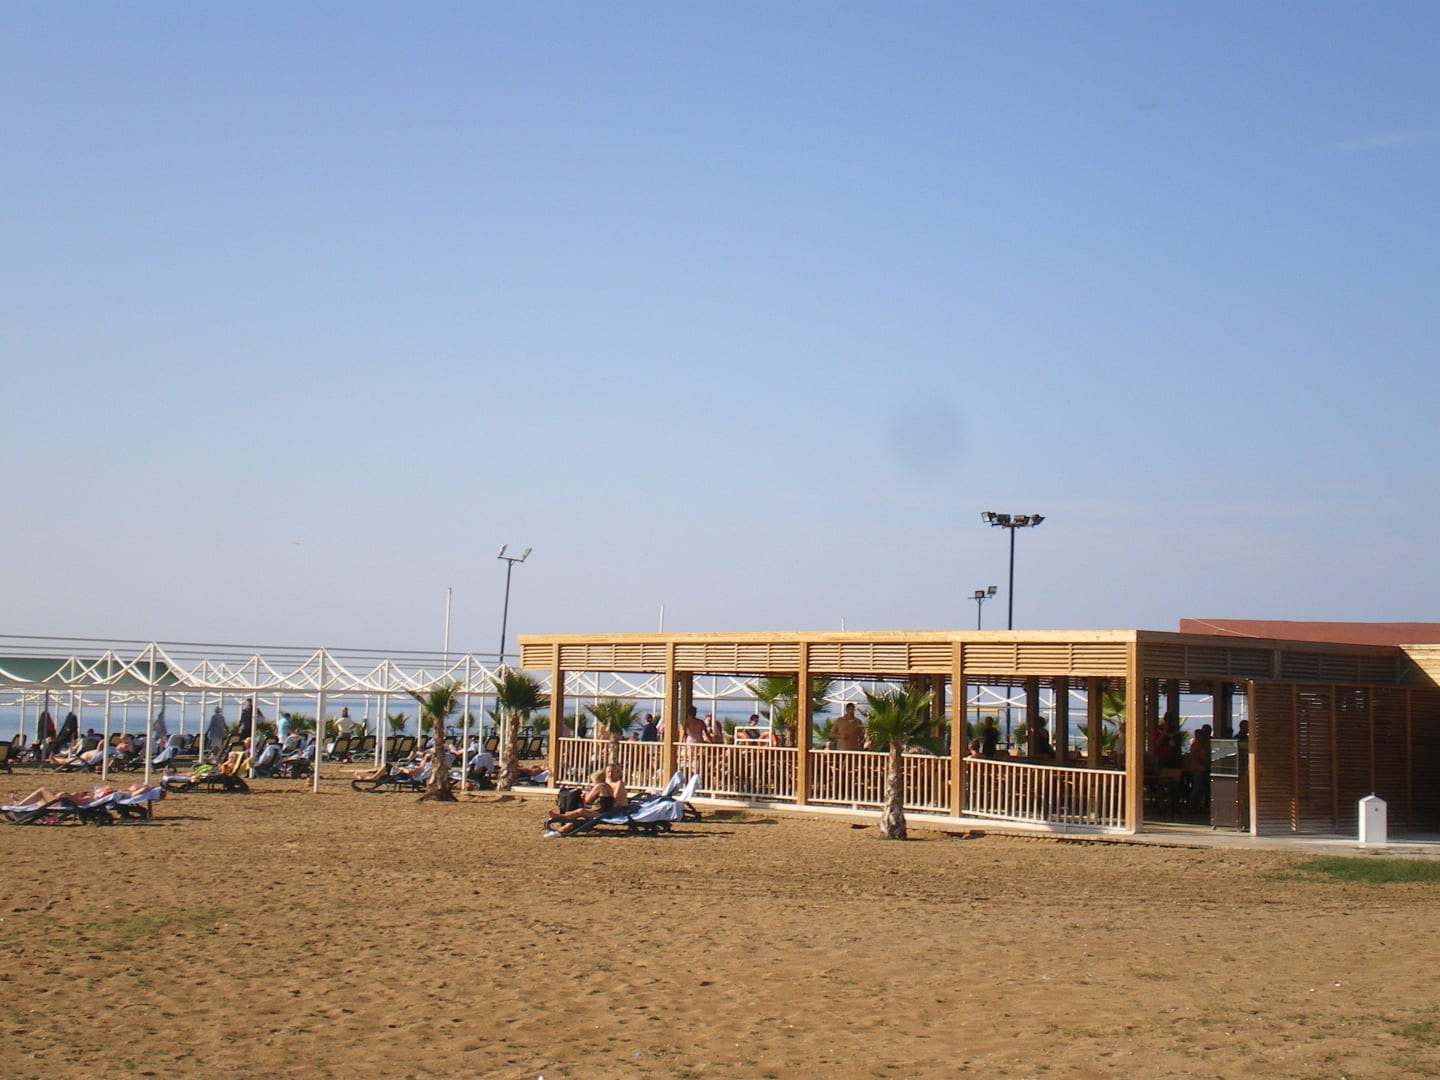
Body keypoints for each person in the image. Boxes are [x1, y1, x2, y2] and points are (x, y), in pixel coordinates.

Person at [545, 763, 628, 837]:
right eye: (608, 772)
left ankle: (561, 817)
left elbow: (615, 801)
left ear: (618, 773)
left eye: (613, 772)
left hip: (611, 812)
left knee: (581, 811)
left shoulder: (617, 784)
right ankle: (563, 828)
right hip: (605, 810)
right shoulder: (607, 783)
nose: (610, 774)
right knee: (583, 816)